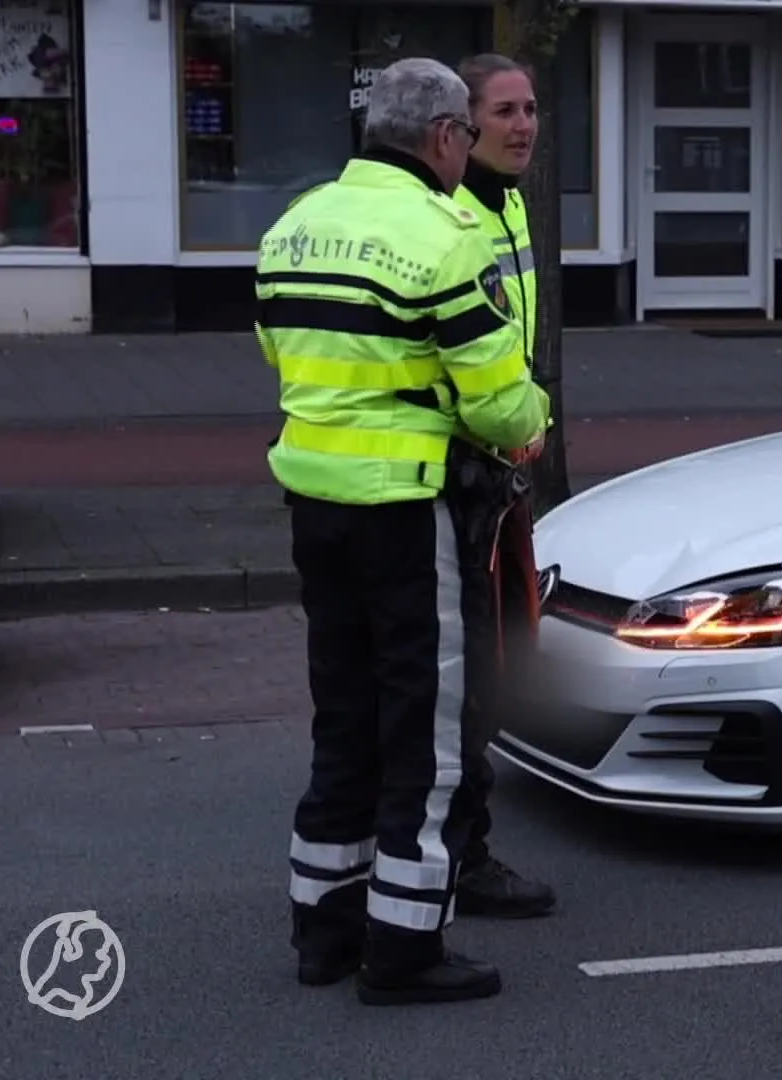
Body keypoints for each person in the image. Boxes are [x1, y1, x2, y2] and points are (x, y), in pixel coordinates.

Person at [261, 57, 550, 1007]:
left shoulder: (294, 228)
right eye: (469, 131)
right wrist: (530, 417)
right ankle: (404, 948)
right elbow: (498, 397)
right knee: (427, 731)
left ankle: (324, 928)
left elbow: (281, 349)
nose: (471, 149)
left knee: (341, 715)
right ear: (442, 138)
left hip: (315, 505)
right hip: (409, 512)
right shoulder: (446, 235)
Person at [444, 51, 558, 921]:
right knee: (468, 672)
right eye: (504, 112)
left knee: (501, 659)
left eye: (530, 109)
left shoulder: (510, 204)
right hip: (460, 483)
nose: (522, 126)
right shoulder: (448, 215)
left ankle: (452, 844)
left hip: (503, 473)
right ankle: (459, 855)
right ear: (463, 123)